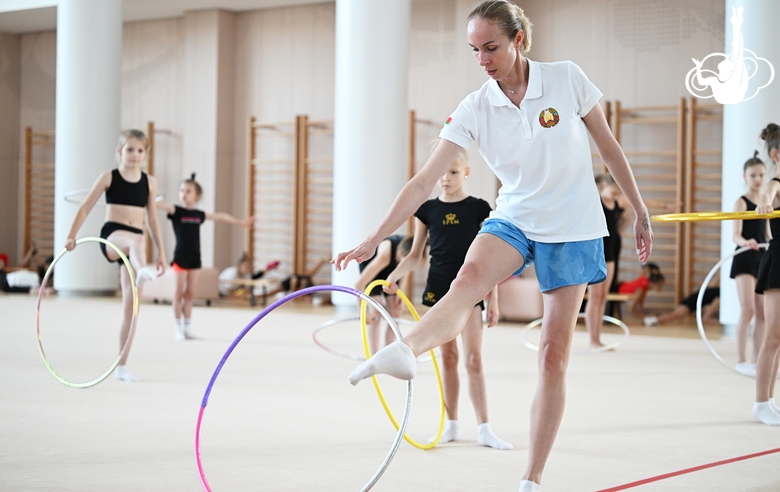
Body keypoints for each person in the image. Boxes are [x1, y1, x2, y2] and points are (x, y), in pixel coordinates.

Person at [333, 2, 653, 490]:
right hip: (516, 217)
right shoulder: (475, 106)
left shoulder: (566, 79)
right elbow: (423, 181)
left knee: (552, 354)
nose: (482, 59)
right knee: (467, 277)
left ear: (519, 40)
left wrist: (640, 209)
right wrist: (374, 238)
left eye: (491, 47)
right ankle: (407, 350)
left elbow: (609, 147)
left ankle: (532, 476)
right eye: (474, 50)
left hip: (572, 226)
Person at [385, 144, 510, 449]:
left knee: (473, 359)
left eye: (453, 172)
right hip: (437, 290)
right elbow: (416, 255)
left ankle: (484, 429)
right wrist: (393, 275)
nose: (445, 178)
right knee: (448, 358)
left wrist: (493, 298)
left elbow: (492, 259)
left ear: (466, 172)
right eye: (441, 172)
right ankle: (451, 423)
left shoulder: (479, 209)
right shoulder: (427, 210)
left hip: (471, 291)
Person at [65, 129, 166, 382]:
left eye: (140, 151)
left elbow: (152, 218)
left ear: (145, 154)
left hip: (136, 247)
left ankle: (121, 366)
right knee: (137, 240)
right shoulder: (109, 177)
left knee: (131, 310)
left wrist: (163, 252)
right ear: (119, 151)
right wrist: (71, 235)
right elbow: (86, 206)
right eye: (129, 149)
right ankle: (143, 271)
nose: (134, 155)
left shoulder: (149, 182)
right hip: (113, 237)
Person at [156, 174, 253, 340]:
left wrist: (241, 223)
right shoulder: (176, 211)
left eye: (188, 191)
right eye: (181, 191)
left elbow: (221, 216)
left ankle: (187, 327)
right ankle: (177, 328)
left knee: (190, 293)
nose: (184, 194)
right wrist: (152, 198)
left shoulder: (199, 214)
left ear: (197, 195)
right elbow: (159, 206)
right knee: (178, 293)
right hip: (180, 257)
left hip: (195, 258)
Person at [586, 174, 677, 346]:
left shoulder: (618, 203)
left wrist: (666, 206)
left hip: (612, 252)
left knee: (603, 296)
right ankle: (593, 339)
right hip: (595, 252)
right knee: (595, 296)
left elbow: (642, 204)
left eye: (617, 193)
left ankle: (598, 338)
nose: (615, 195)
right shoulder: (594, 201)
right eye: (613, 191)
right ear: (604, 185)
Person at [730, 152, 768, 376]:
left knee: (763, 313)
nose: (757, 179)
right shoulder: (741, 202)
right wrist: (747, 242)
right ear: (745, 176)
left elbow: (767, 234)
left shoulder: (766, 202)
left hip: (763, 258)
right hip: (745, 256)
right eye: (753, 175)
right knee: (748, 310)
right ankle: (741, 360)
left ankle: (756, 360)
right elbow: (735, 234)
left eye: (761, 175)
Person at [753, 123, 780, 426]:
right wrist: (766, 200)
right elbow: (769, 191)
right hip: (777, 261)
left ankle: (769, 400)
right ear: (776, 154)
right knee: (773, 335)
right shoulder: (776, 181)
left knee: (779, 337)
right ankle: (761, 402)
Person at [354, 235, 412, 355]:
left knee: (396, 312)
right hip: (372, 268)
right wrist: (363, 312)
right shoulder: (385, 256)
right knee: (376, 311)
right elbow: (358, 285)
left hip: (392, 271)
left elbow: (407, 271)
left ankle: (387, 354)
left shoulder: (411, 252)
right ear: (400, 253)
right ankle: (374, 355)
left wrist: (400, 294)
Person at [642, 284, 720, 327]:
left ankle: (654, 318)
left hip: (692, 302)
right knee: (675, 315)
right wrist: (723, 324)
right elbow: (705, 319)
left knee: (674, 315)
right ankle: (651, 320)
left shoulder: (718, 292)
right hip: (690, 303)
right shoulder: (719, 296)